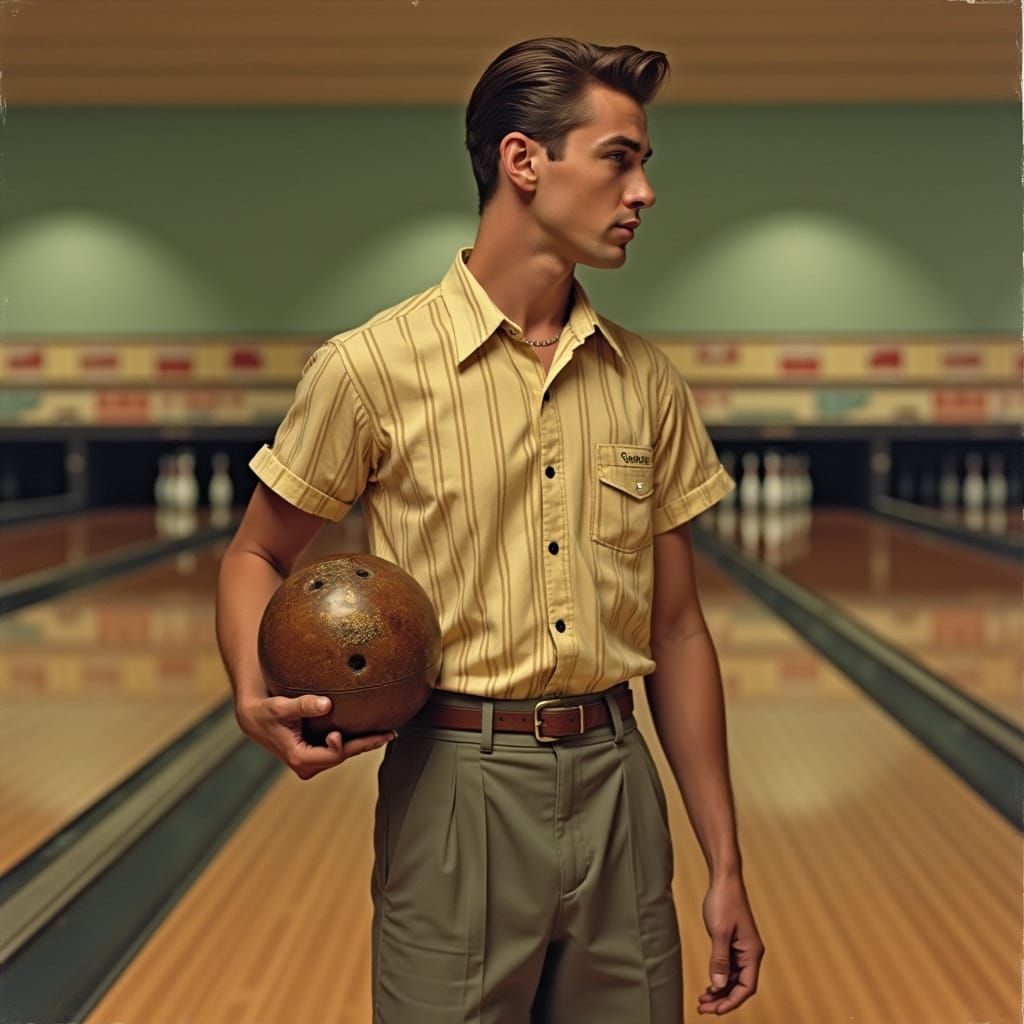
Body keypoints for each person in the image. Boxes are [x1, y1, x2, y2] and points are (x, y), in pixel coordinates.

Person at [216, 36, 764, 1023]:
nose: (641, 191)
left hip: (618, 784)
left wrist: (725, 862)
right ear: (524, 162)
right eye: (619, 157)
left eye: (643, 164)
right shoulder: (370, 367)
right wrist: (255, 697)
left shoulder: (645, 382)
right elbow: (257, 553)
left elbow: (679, 631)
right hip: (456, 787)